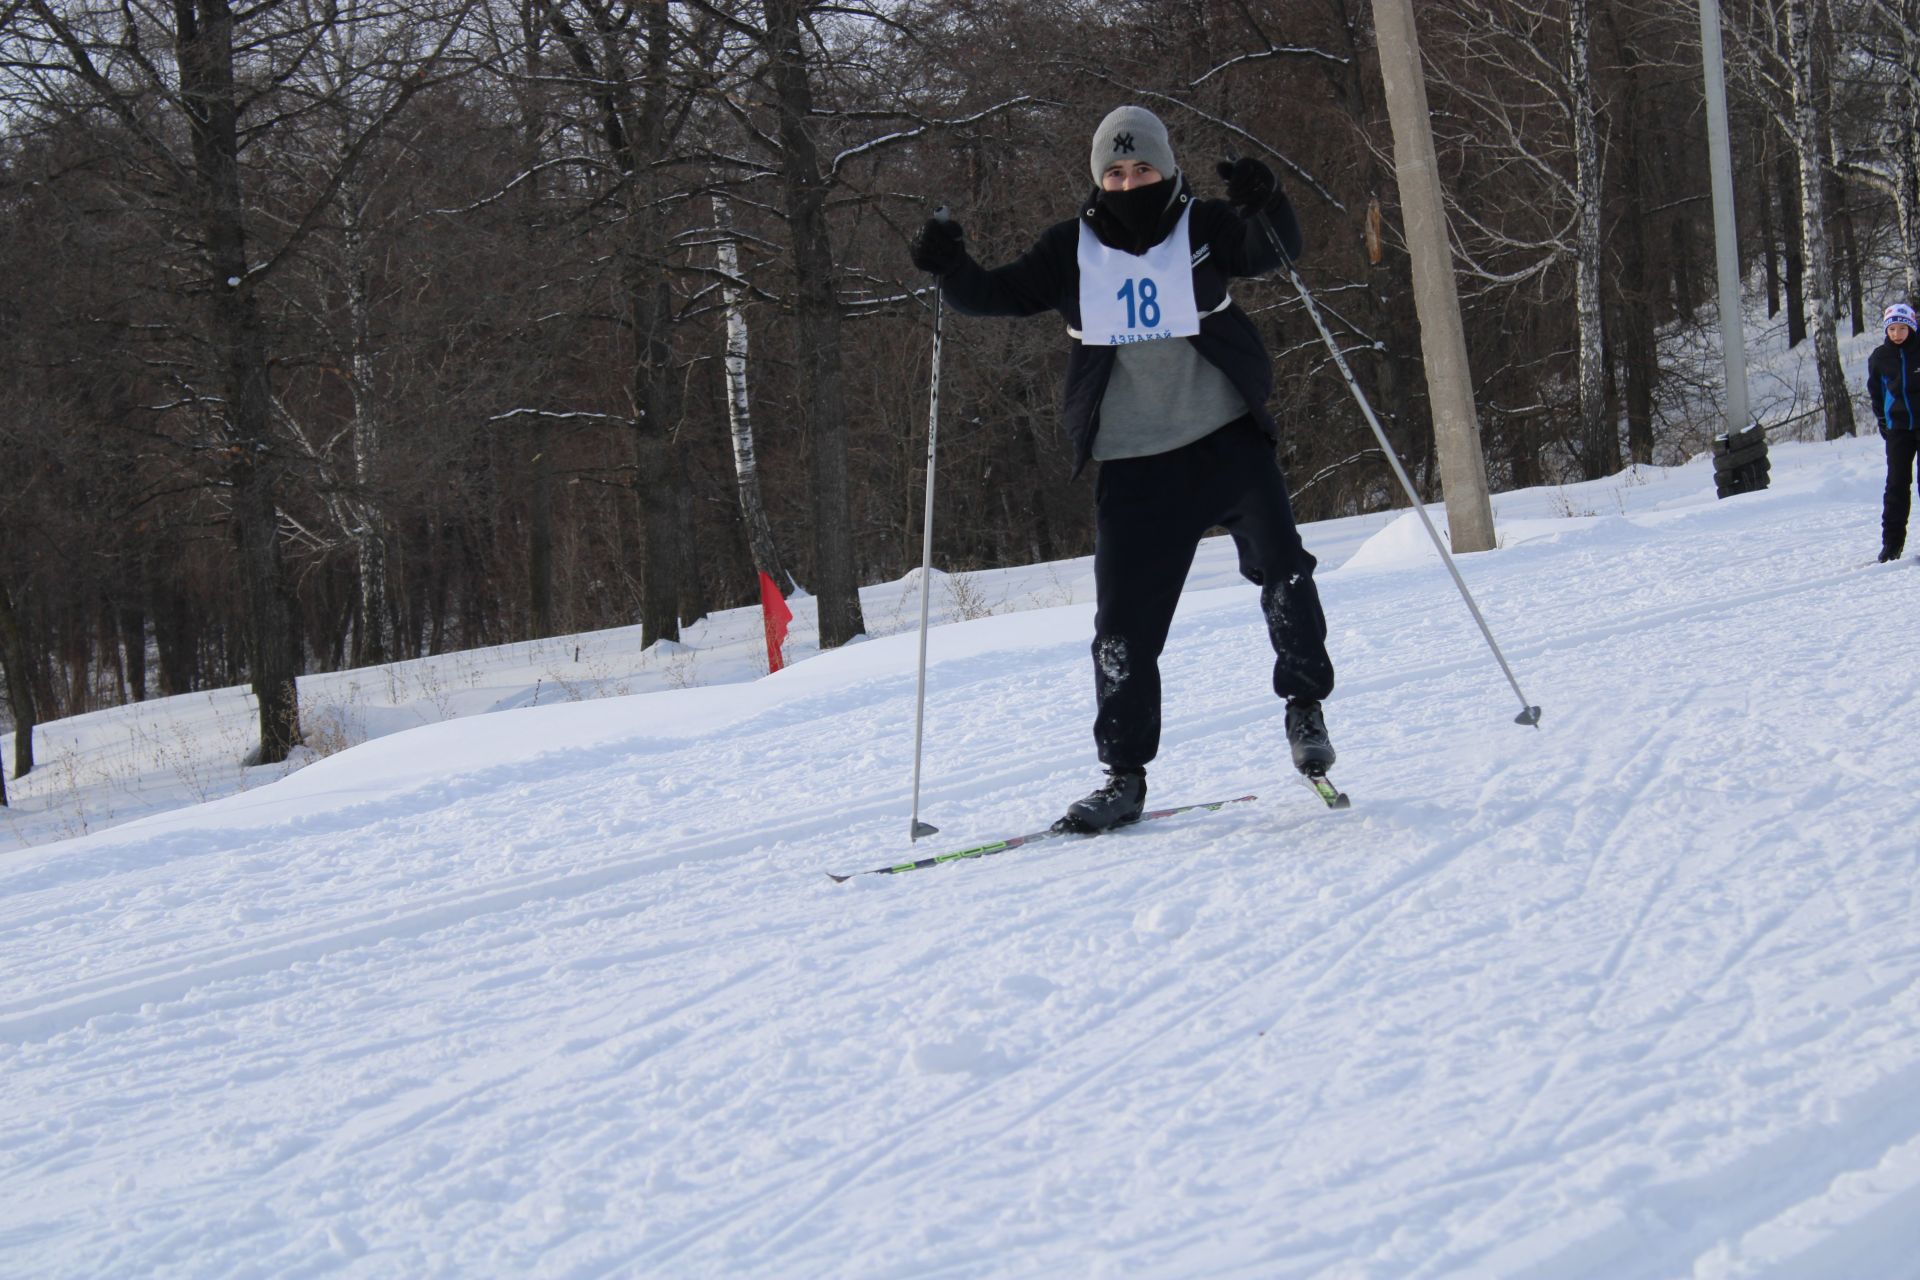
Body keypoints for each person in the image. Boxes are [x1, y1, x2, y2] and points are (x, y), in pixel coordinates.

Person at [909, 105, 1337, 833]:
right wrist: (948, 266)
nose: (1129, 182)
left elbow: (1273, 249)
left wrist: (1269, 201)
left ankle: (1304, 708)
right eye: (1114, 171)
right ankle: (1124, 775)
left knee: (1284, 569)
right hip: (1135, 466)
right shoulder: (1069, 249)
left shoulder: (1202, 226)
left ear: (1167, 170)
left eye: (1141, 169)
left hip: (1227, 440)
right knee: (1122, 629)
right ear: (1098, 178)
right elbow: (995, 295)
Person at [1867, 300, 1920, 562]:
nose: (1897, 334)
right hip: (1898, 429)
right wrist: (1883, 420)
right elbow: (1876, 393)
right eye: (1892, 329)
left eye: (1902, 328)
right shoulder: (1880, 357)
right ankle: (1892, 544)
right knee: (1897, 485)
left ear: (1911, 327)